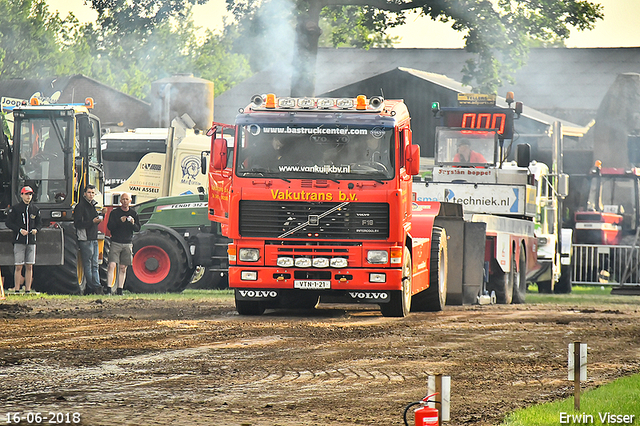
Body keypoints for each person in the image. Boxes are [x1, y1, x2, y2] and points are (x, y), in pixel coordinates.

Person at [5, 186, 41, 294]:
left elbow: (40, 223)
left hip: (31, 241)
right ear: (21, 195)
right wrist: (19, 230)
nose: (28, 196)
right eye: (26, 194)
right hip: (19, 241)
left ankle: (28, 289)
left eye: (30, 194)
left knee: (29, 265)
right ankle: (16, 289)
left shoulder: (35, 209)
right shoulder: (15, 209)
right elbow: (9, 223)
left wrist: (36, 230)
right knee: (18, 266)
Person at [106, 193, 140, 295]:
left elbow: (138, 228)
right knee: (111, 265)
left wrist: (133, 223)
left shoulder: (134, 214)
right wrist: (119, 221)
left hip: (127, 243)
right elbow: (110, 227)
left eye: (127, 199)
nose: (125, 201)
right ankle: (108, 289)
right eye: (123, 199)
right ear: (120, 201)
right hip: (116, 241)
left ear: (130, 201)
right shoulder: (115, 213)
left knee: (123, 267)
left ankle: (120, 290)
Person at [74, 184, 104, 295]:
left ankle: (96, 285)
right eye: (89, 192)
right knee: (88, 263)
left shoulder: (93, 206)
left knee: (95, 264)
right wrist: (92, 222)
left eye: (93, 193)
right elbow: (78, 223)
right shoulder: (80, 207)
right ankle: (93, 287)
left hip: (93, 237)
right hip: (85, 238)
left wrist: (101, 216)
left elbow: (94, 220)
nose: (91, 195)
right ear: (84, 194)